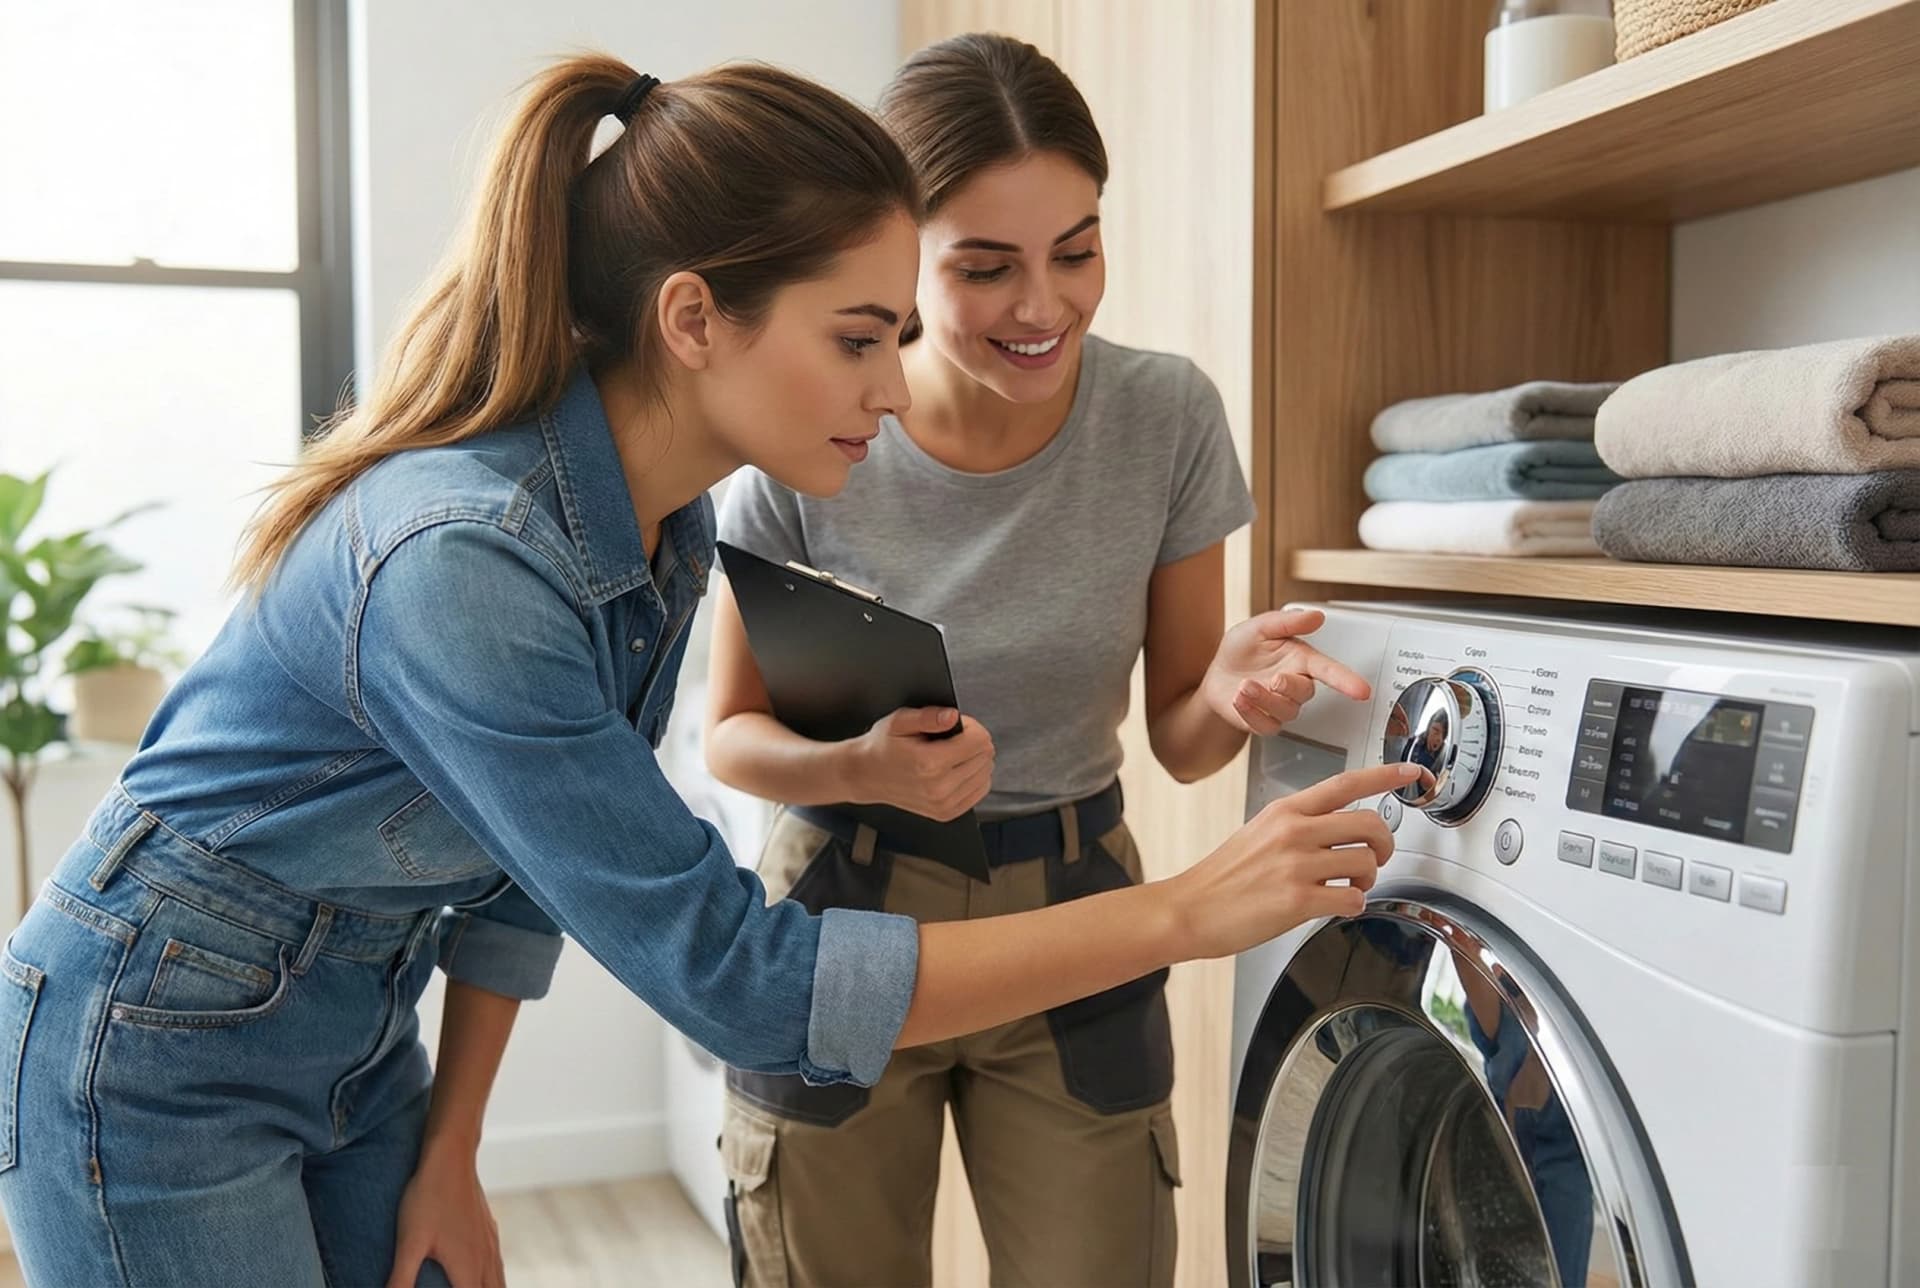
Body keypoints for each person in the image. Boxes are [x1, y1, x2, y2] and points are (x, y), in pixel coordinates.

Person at [0, 53, 1419, 1288]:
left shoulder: (654, 526)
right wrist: (1183, 914)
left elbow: (515, 889)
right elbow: (738, 980)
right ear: (693, 321)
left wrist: (453, 1149)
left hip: (355, 1038)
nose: (889, 387)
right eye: (864, 338)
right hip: (148, 1047)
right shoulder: (466, 566)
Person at [705, 33, 1379, 1288]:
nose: (1044, 305)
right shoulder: (811, 434)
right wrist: (859, 765)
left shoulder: (1163, 417)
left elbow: (1181, 736)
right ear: (899, 263)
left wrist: (1230, 689)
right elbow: (729, 734)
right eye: (985, 267)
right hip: (844, 910)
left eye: (1076, 249)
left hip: (1079, 908)